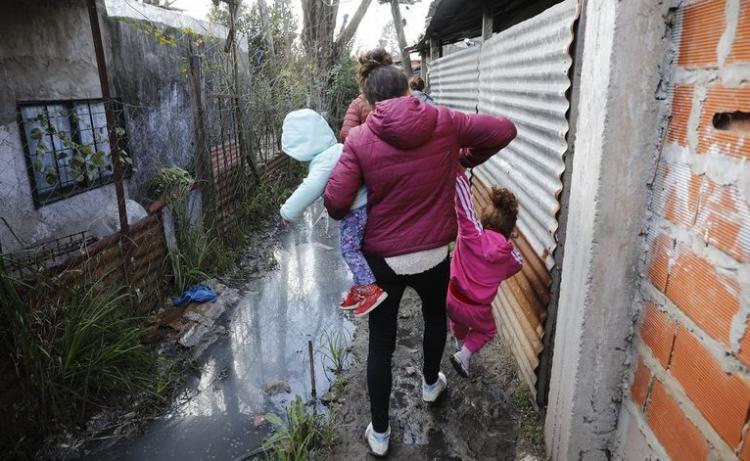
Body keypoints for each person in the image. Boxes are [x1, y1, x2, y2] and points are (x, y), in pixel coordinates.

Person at [324, 48, 516, 457]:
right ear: (408, 88)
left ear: (369, 101)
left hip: (384, 261)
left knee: (381, 343)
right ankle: (431, 385)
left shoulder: (358, 139)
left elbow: (336, 204)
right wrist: (460, 158)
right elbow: (504, 130)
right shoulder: (444, 121)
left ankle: (379, 434)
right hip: (433, 254)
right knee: (433, 318)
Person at [279, 109, 388, 318]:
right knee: (357, 248)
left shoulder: (323, 161)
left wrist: (287, 212)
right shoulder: (338, 148)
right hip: (368, 205)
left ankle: (369, 288)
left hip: (356, 211)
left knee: (349, 250)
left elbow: (309, 188)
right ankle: (360, 287)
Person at [448, 170, 523, 378]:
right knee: (487, 331)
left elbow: (463, 206)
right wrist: (505, 244)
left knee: (458, 322)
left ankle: (460, 344)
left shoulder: (470, 233)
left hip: (452, 299)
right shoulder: (508, 257)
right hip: (477, 310)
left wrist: (458, 171)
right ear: (509, 229)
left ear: (483, 219)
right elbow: (519, 263)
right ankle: (463, 355)